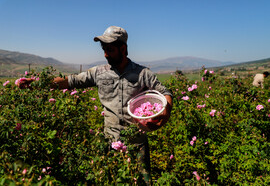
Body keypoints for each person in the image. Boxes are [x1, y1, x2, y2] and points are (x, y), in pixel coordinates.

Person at [18, 26, 173, 185]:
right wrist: (39, 83)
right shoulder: (99, 72)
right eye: (104, 49)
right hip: (110, 141)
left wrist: (165, 112)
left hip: (137, 143)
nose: (105, 54)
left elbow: (164, 91)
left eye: (110, 49)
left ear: (123, 49)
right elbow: (70, 81)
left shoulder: (143, 74)